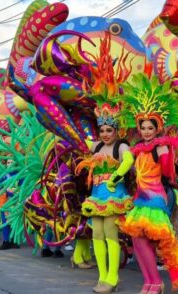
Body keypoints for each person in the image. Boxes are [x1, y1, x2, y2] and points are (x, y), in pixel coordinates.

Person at [118, 73, 178, 293]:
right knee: (137, 241)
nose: (146, 131)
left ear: (157, 128)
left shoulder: (161, 147)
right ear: (138, 128)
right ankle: (150, 281)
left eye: (150, 128)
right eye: (143, 127)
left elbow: (169, 173)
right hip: (141, 198)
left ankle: (156, 282)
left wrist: (169, 148)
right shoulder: (137, 150)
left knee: (147, 240)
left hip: (155, 199)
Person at [76, 102, 134, 293]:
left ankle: (113, 277)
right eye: (102, 130)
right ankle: (102, 276)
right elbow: (76, 137)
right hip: (97, 195)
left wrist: (116, 177)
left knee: (111, 234)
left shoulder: (122, 145)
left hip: (114, 195)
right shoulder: (97, 146)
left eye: (109, 130)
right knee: (96, 235)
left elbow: (129, 160)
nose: (106, 134)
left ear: (116, 130)